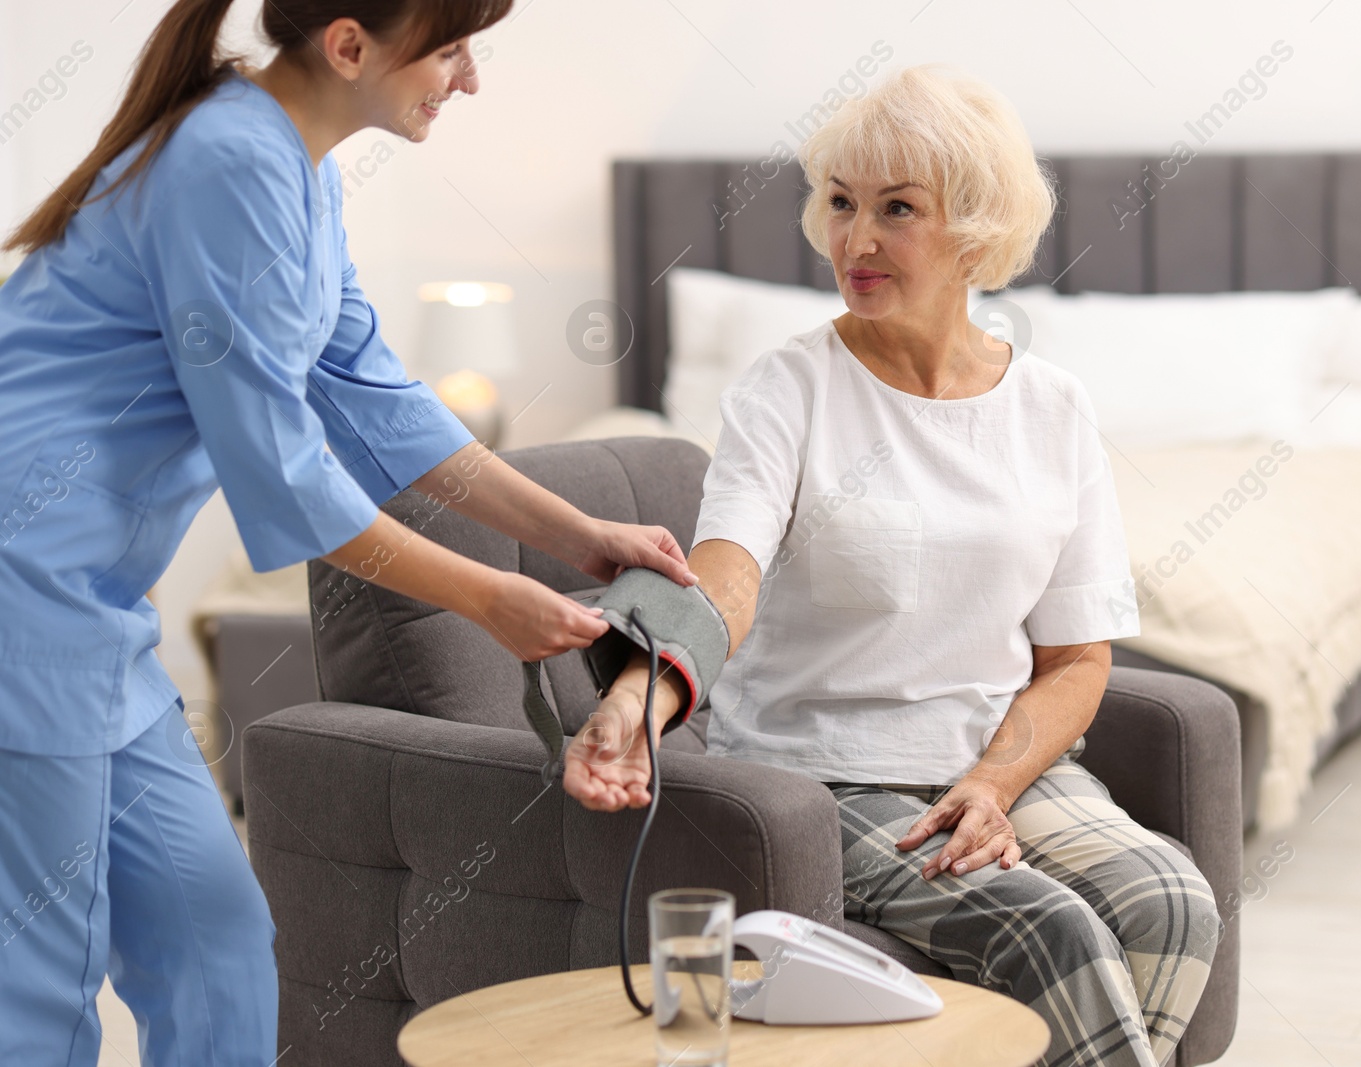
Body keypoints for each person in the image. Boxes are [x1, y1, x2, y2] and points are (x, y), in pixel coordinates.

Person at [0, 2, 696, 1063]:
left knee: (216, 939)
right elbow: (282, 465)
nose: (469, 79)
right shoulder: (229, 160)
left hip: (90, 614)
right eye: (453, 46)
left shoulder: (298, 167)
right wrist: (487, 597)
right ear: (348, 44)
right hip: (22, 597)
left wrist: (581, 530)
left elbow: (375, 398)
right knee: (40, 986)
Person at [562, 66, 1220, 1067]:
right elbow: (722, 578)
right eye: (840, 203)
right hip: (826, 775)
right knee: (1054, 930)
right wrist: (640, 700)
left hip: (997, 762)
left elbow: (1077, 657)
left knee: (1171, 901)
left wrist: (995, 779)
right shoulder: (787, 388)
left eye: (897, 209)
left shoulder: (1052, 407)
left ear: (977, 230)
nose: (854, 241)